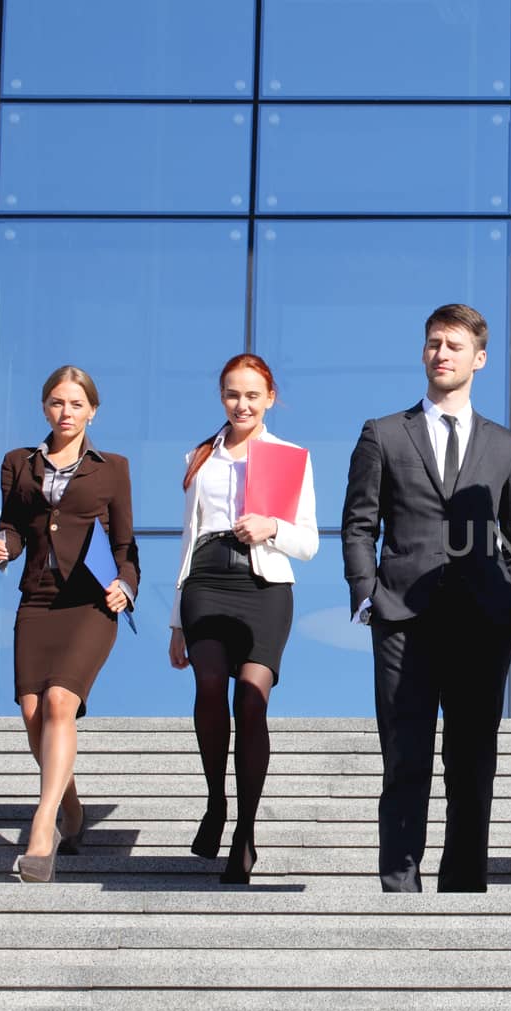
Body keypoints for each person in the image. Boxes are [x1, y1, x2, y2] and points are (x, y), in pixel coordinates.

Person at [341, 303, 511, 893]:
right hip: (402, 617)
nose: (441, 354)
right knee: (405, 757)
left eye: (453, 345)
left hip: (483, 621)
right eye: (433, 344)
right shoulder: (383, 433)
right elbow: (359, 523)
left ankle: (463, 887)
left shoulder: (507, 445)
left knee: (472, 761)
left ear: (479, 359)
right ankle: (400, 885)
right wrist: (366, 594)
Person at [0, 366, 138, 883]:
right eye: (56, 403)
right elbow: (16, 527)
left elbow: (124, 545)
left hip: (91, 604)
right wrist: (3, 548)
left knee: (58, 703)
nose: (65, 413)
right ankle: (72, 806)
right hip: (38, 601)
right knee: (32, 714)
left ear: (92, 410)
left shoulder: (112, 467)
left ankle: (43, 824)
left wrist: (127, 584)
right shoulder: (17, 464)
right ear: (45, 408)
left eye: (75, 404)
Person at [167, 354, 317, 885]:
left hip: (265, 588)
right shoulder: (200, 456)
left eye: (253, 395)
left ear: (270, 398)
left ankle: (246, 831)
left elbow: (309, 543)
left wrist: (271, 527)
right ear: (222, 397)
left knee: (250, 703)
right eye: (233, 394)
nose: (242, 404)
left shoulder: (290, 457)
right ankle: (215, 803)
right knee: (209, 687)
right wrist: (175, 621)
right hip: (205, 583)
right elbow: (188, 537)